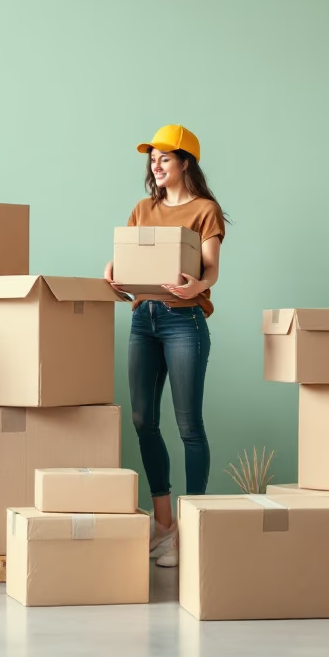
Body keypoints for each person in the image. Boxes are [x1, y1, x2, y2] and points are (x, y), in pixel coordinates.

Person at [104, 124, 226, 569]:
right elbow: (131, 261)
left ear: (185, 162)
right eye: (151, 159)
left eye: (164, 159)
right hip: (143, 318)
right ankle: (164, 524)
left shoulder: (204, 211)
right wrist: (114, 272)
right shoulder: (142, 209)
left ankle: (192, 527)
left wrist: (199, 286)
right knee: (142, 420)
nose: (155, 166)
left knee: (189, 425)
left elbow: (211, 270)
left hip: (183, 321)